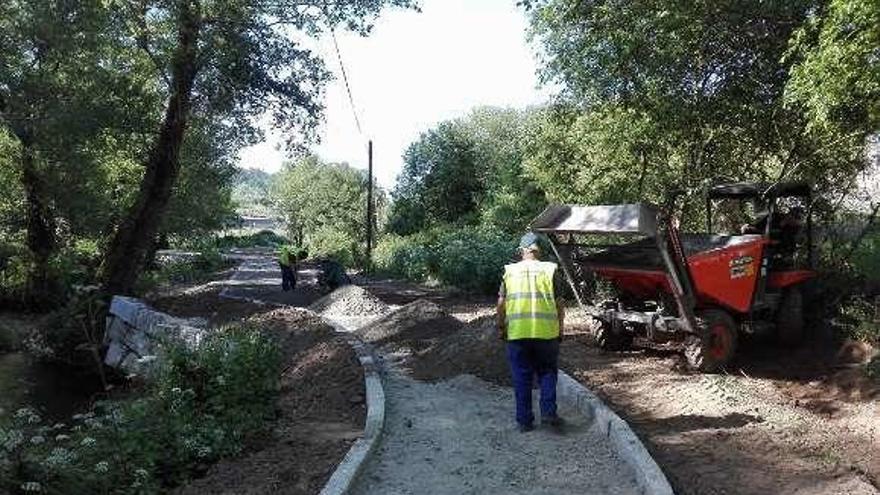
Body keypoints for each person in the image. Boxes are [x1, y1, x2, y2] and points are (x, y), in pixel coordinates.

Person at [496, 232, 566, 432]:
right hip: (546, 334)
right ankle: (549, 414)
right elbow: (560, 304)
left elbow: (501, 304)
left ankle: (525, 422)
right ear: (538, 250)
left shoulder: (510, 272)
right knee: (547, 373)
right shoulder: (550, 270)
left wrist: (501, 327)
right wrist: (561, 328)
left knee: (521, 376)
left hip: (517, 334)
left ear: (522, 250)